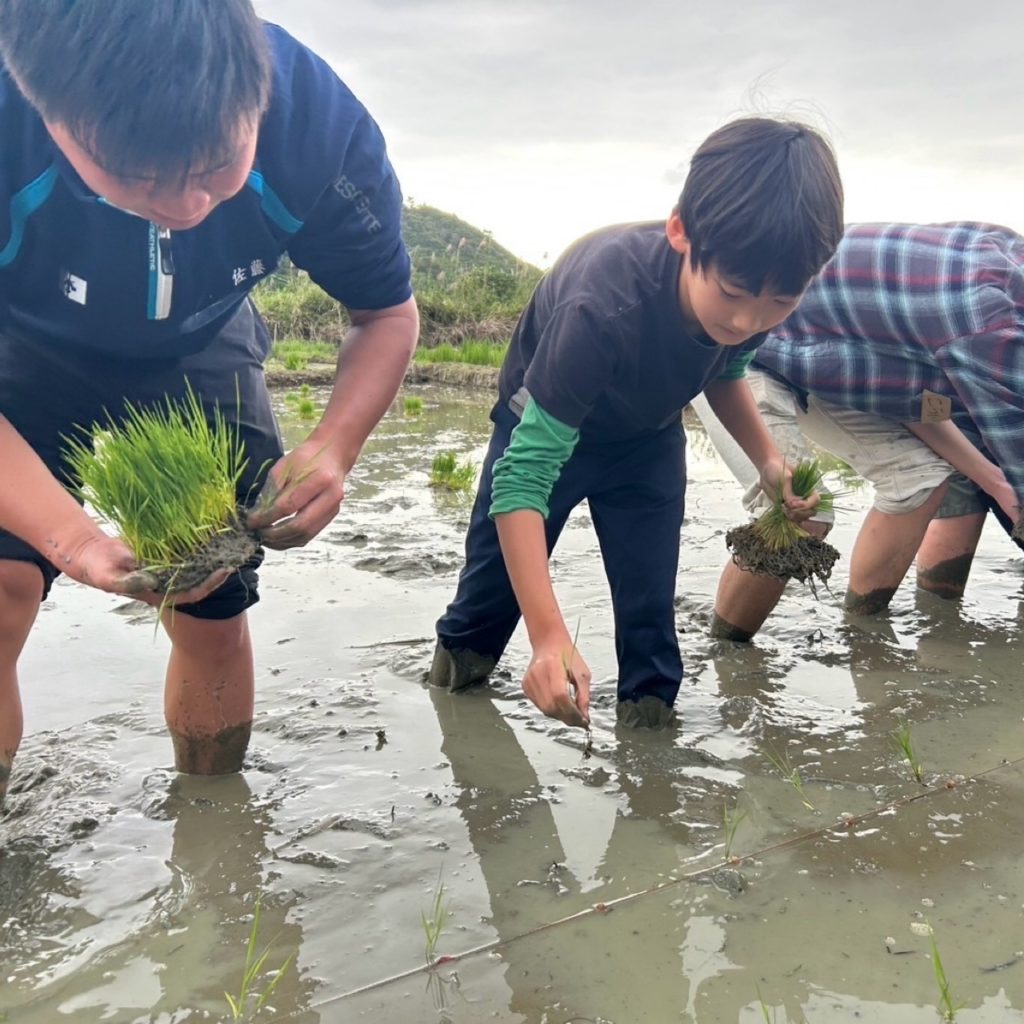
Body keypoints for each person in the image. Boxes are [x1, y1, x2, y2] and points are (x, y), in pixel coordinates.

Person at [0, 0, 419, 806]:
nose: (188, 205)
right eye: (138, 177)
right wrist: (71, 540)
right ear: (44, 109)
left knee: (213, 605)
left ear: (255, 91)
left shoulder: (318, 125)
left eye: (218, 165)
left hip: (202, 344)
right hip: (23, 337)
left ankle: (215, 833)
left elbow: (387, 314)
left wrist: (335, 444)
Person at [428, 117, 845, 728]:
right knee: (488, 602)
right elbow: (522, 483)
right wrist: (549, 638)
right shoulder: (602, 305)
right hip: (544, 435)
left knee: (649, 611)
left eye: (779, 303)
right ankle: (453, 700)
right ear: (681, 230)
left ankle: (651, 756)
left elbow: (723, 372)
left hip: (647, 441)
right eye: (731, 293)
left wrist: (769, 462)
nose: (747, 320)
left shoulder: (756, 297)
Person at [703, 222, 1023, 642]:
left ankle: (862, 635)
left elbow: (915, 403)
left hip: (822, 360)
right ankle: (728, 650)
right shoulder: (985, 320)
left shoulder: (1003, 263)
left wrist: (997, 484)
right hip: (732, 353)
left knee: (919, 481)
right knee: (803, 507)